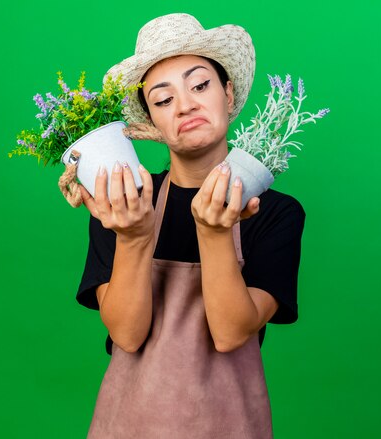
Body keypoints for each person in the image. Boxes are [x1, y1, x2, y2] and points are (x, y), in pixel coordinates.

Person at [74, 13, 306, 439]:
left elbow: (231, 332)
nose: (185, 105)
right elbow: (126, 334)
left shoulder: (275, 213)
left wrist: (216, 233)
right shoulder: (123, 206)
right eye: (163, 100)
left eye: (200, 85)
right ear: (150, 123)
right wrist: (134, 235)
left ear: (227, 91)